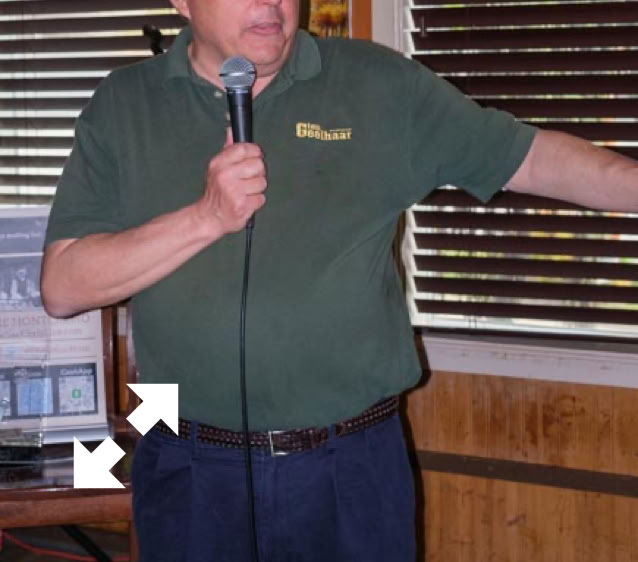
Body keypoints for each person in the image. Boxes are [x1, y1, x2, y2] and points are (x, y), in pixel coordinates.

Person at [40, 1, 638, 560]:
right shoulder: (124, 103)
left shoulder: (378, 84)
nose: (270, 2)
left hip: (350, 465)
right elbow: (63, 286)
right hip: (188, 466)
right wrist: (207, 218)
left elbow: (530, 157)